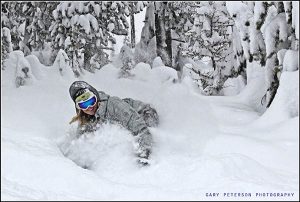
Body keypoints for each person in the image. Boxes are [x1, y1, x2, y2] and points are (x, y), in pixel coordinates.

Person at [69, 81, 159, 166]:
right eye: (84, 105)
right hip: (128, 120)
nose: (89, 107)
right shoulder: (86, 119)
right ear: (79, 108)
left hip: (147, 114)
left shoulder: (114, 106)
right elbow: (81, 143)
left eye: (91, 101)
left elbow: (139, 127)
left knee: (145, 130)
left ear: (96, 97)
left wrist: (144, 153)